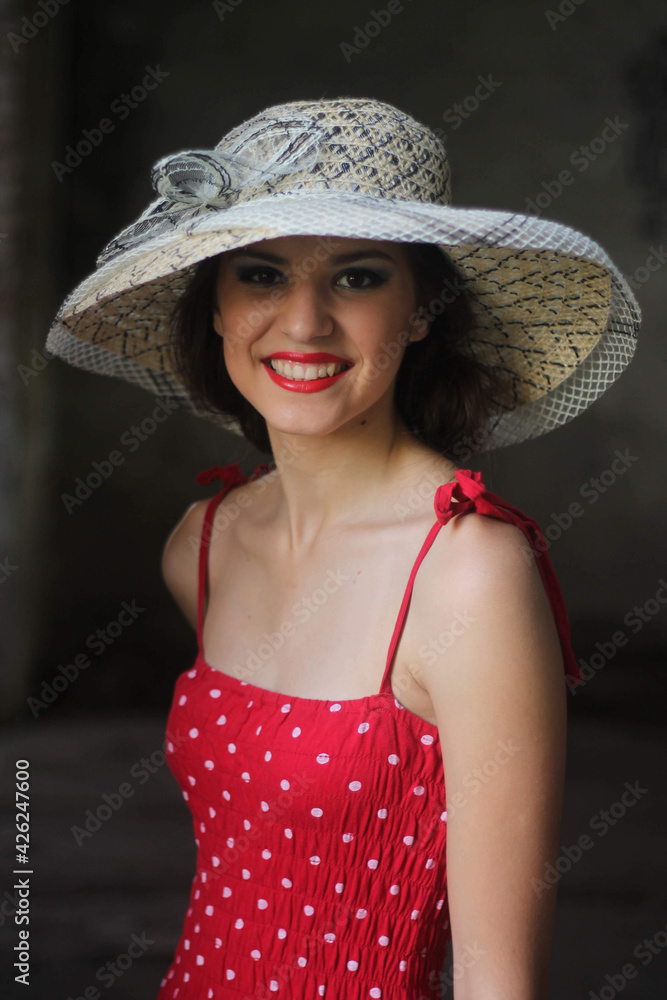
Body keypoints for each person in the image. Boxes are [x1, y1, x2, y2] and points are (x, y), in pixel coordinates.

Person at [45, 97, 641, 1000]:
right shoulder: (202, 546)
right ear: (213, 305)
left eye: (358, 278)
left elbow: (498, 983)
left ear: (422, 311)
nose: (304, 323)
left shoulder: (469, 575)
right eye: (261, 274)